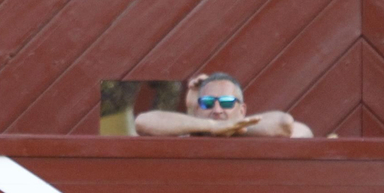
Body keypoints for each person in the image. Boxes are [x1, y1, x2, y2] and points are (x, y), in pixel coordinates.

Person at [134, 72, 313, 137]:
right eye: (208, 103)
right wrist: (210, 127)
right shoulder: (190, 133)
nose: (217, 110)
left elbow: (285, 123)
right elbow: (142, 122)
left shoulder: (252, 132)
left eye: (227, 103)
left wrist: (234, 128)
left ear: (242, 110)